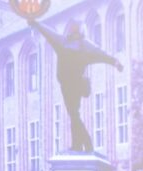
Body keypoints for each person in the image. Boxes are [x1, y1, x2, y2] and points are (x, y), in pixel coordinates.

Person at [29, 19, 124, 153]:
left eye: (74, 28)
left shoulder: (74, 44)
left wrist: (115, 62)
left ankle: (85, 144)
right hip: (69, 84)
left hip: (71, 85)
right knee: (74, 114)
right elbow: (48, 33)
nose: (72, 30)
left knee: (74, 114)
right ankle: (78, 145)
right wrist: (36, 24)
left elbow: (101, 55)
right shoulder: (72, 44)